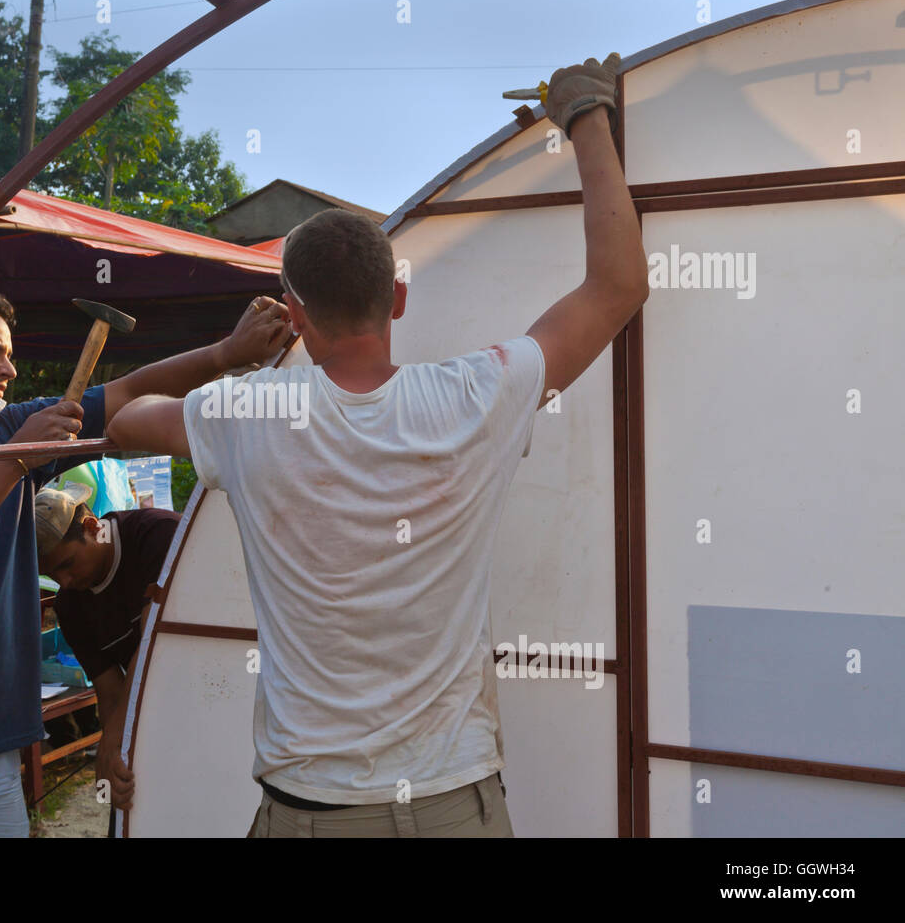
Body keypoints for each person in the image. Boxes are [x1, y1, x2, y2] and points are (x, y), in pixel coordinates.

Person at [105, 54, 648, 837]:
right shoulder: (477, 394)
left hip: (312, 811)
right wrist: (587, 115)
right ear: (396, 294)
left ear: (293, 311)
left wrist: (226, 354)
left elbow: (121, 412)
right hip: (455, 801)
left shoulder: (248, 411)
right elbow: (618, 285)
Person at [0, 282, 288, 837]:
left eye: (10, 355)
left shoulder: (3, 430)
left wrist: (225, 355)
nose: (9, 370)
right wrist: (20, 457)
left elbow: (128, 392)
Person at [35, 485, 181, 830]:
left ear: (91, 526)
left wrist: (112, 737)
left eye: (67, 565)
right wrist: (111, 753)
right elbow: (110, 690)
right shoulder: (70, 606)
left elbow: (153, 645)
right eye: (52, 576)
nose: (65, 582)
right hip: (151, 719)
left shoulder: (158, 535)